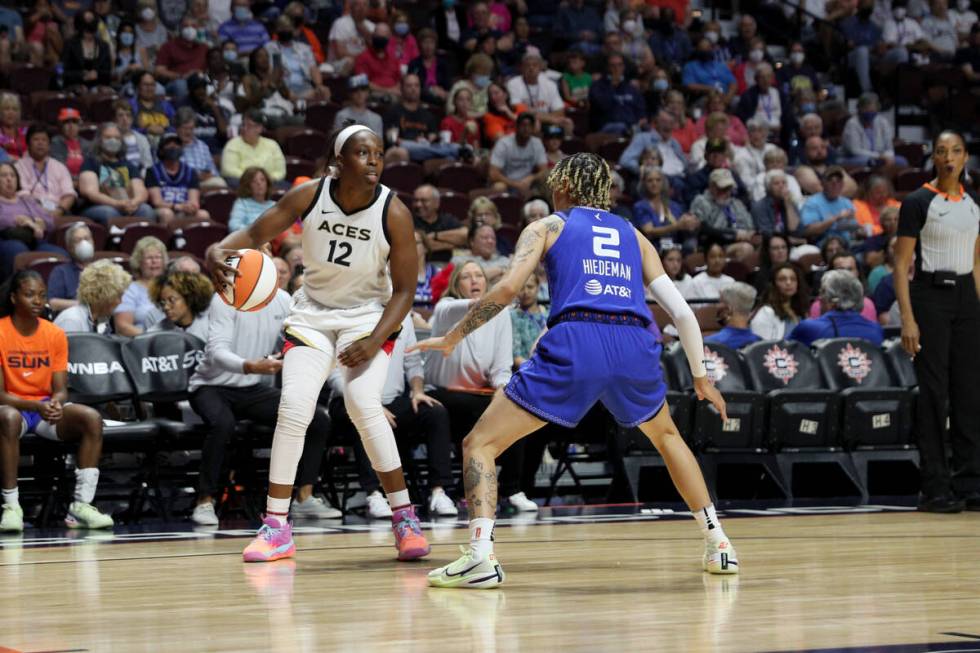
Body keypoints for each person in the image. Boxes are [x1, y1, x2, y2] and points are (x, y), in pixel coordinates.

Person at [411, 152, 737, 588]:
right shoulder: (635, 234)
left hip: (577, 338)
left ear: (562, 188)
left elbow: (508, 288)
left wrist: (453, 336)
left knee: (480, 443)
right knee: (667, 437)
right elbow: (681, 313)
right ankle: (718, 544)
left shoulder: (549, 225)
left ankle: (480, 556)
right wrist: (700, 377)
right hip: (633, 343)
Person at [207, 124, 431, 562]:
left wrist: (373, 342)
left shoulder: (394, 212)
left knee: (363, 404)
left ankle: (404, 517)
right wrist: (217, 248)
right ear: (338, 162)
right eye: (363, 153)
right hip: (312, 316)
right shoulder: (309, 195)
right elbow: (253, 235)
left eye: (378, 154)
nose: (373, 161)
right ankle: (276, 527)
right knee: (293, 408)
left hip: (368, 319)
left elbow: (405, 291)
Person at [188, 279, 337, 526]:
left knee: (316, 417)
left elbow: (301, 335)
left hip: (251, 389)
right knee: (223, 423)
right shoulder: (225, 297)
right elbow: (216, 351)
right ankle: (204, 501)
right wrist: (249, 366)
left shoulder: (282, 299)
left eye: (265, 247)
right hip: (210, 385)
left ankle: (304, 497)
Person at [893, 130, 979, 513]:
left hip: (966, 299)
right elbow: (899, 265)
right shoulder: (917, 202)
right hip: (930, 296)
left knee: (969, 393)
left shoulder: (974, 204)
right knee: (933, 394)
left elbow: (976, 263)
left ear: (965, 158)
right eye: (942, 151)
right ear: (933, 157)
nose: (949, 157)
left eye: (956, 151)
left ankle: (970, 482)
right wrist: (908, 319)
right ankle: (935, 488)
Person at [0, 271, 114, 533]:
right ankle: (11, 507)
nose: (37, 301)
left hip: (43, 409)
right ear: (14, 298)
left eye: (41, 295)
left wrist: (55, 403)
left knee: (91, 419)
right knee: (8, 417)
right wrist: (36, 406)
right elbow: (0, 394)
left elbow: (61, 389)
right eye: (29, 295)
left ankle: (81, 507)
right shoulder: (1, 331)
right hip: (12, 408)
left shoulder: (54, 334)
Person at [422, 261, 538, 513]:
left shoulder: (501, 316)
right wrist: (502, 296)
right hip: (440, 392)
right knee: (440, 413)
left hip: (477, 393)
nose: (474, 281)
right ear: (456, 284)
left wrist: (502, 389)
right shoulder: (445, 309)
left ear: (486, 282)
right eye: (466, 277)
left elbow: (501, 367)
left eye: (478, 276)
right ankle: (439, 491)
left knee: (515, 406)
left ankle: (512, 489)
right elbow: (467, 308)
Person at [327, 315, 458, 518]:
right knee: (364, 415)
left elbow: (412, 360)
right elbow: (334, 371)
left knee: (435, 412)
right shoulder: (348, 311)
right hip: (349, 397)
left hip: (392, 400)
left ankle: (438, 491)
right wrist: (368, 403)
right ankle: (373, 494)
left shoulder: (402, 315)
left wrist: (417, 390)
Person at [78, 122, 155, 224]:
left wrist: (133, 203)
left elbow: (141, 191)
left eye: (117, 138)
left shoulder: (129, 165)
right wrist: (117, 204)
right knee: (109, 212)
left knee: (146, 210)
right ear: (99, 140)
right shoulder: (91, 163)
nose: (113, 141)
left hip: (127, 205)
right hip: (97, 207)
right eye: (108, 137)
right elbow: (90, 192)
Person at [0, 162, 66, 281]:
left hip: (36, 242)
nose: (9, 179)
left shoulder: (26, 200)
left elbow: (50, 221)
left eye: (12, 175)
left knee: (60, 254)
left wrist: (41, 223)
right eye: (4, 175)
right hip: (8, 240)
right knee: (18, 250)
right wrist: (23, 222)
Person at [788, 270, 884, 346]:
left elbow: (780, 354)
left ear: (832, 300)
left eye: (822, 292)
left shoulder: (809, 327)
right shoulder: (876, 329)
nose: (819, 298)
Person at [690, 169, 756, 260]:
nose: (726, 192)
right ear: (711, 186)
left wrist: (749, 233)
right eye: (722, 188)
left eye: (728, 188)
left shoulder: (736, 203)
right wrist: (733, 234)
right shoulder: (701, 201)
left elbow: (749, 226)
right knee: (745, 249)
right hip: (714, 244)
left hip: (739, 241)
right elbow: (701, 228)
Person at [145, 134, 208, 227]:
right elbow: (157, 202)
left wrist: (191, 207)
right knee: (167, 213)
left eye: (176, 144)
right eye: (169, 144)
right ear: (162, 149)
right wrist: (176, 206)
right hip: (163, 209)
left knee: (203, 214)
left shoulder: (190, 171)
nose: (173, 147)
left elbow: (194, 200)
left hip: (184, 210)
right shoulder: (153, 171)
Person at [632, 166, 699, 252]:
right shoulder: (640, 206)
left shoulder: (674, 206)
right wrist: (677, 226)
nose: (654, 183)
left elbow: (684, 224)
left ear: (663, 182)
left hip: (675, 248)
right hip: (652, 248)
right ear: (644, 183)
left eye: (658, 180)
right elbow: (648, 231)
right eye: (650, 180)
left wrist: (691, 223)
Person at [54, 259, 130, 334]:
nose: (120, 302)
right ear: (104, 296)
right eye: (119, 296)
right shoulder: (72, 320)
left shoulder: (102, 321)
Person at [114, 236, 166, 336]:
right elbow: (122, 326)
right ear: (139, 262)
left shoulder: (170, 287)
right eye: (149, 258)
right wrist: (154, 338)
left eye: (158, 257)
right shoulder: (130, 290)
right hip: (140, 343)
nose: (154, 261)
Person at [488, 112, 548, 197]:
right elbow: (493, 174)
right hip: (507, 182)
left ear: (533, 128)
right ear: (516, 127)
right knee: (499, 187)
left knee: (546, 180)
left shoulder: (537, 143)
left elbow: (544, 171)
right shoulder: (504, 143)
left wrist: (532, 178)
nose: (526, 128)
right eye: (523, 125)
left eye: (529, 125)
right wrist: (516, 184)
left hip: (527, 183)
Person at [220, 110, 286, 184]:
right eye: (243, 125)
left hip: (270, 182)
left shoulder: (272, 145)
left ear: (260, 128)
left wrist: (268, 178)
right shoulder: (232, 144)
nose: (244, 129)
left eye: (249, 126)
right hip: (243, 182)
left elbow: (281, 171)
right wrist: (254, 179)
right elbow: (228, 170)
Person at [800, 167, 860, 247]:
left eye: (838, 181)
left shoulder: (846, 202)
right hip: (824, 243)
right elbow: (808, 231)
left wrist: (861, 230)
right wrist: (836, 218)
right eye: (830, 181)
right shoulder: (812, 203)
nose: (835, 185)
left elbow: (854, 227)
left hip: (847, 242)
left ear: (842, 184)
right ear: (823, 183)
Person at [840, 94, 904, 167]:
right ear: (859, 108)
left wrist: (888, 157)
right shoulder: (852, 123)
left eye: (872, 110)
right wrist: (878, 156)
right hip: (854, 158)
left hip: (881, 157)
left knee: (901, 161)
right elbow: (855, 151)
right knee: (872, 162)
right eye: (866, 109)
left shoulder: (882, 122)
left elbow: (889, 148)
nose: (869, 112)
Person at [155, 14, 209, 98]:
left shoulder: (204, 48)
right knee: (181, 84)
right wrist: (181, 76)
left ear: (198, 29)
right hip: (177, 82)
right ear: (180, 28)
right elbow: (159, 71)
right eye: (186, 26)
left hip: (199, 82)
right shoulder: (168, 46)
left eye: (193, 26)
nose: (190, 29)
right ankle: (184, 109)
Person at [147, 270, 212, 339]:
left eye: (172, 300)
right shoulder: (155, 334)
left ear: (189, 298)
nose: (166, 307)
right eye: (163, 302)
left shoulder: (211, 327)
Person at [750, 262, 808, 340]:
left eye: (793, 279)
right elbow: (761, 347)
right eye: (782, 279)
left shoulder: (800, 310)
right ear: (773, 284)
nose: (788, 283)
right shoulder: (766, 313)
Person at [413, 184, 468, 263]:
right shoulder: (409, 221)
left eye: (424, 201)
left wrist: (434, 235)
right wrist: (450, 245)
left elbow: (465, 235)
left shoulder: (447, 219)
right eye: (416, 200)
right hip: (419, 267)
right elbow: (417, 247)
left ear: (437, 203)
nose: (418, 204)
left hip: (447, 266)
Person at [48, 223, 96, 312]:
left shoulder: (103, 269)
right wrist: (85, 305)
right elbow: (53, 303)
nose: (84, 243)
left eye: (87, 239)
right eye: (78, 240)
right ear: (70, 247)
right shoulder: (61, 272)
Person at [705, 283, 762, 348]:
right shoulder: (760, 344)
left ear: (729, 309)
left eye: (720, 302)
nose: (717, 306)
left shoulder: (711, 344)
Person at [511, 273, 548, 367]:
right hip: (528, 370)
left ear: (538, 287)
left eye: (530, 287)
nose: (526, 292)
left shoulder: (550, 313)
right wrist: (536, 370)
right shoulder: (513, 316)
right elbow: (516, 356)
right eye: (521, 288)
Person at [229, 167, 275, 231]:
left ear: (267, 183)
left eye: (262, 180)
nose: (259, 183)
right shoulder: (242, 203)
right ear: (247, 185)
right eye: (254, 181)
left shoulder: (274, 205)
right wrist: (256, 232)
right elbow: (234, 226)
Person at [50, 108, 91, 180]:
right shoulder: (55, 143)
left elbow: (90, 168)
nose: (71, 125)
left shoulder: (87, 144)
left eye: (74, 122)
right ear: (61, 125)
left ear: (79, 125)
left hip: (84, 182)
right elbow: (59, 169)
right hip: (62, 181)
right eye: (66, 122)